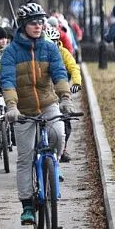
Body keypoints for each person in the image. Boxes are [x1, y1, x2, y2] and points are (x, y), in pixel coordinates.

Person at [0, 2, 74, 225]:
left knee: (59, 135)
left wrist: (65, 99)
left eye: (41, 22)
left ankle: (54, 165)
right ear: (23, 25)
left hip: (48, 103)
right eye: (33, 22)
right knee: (24, 158)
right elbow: (8, 81)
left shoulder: (50, 48)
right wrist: (11, 107)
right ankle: (27, 206)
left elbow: (60, 73)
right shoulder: (11, 52)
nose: (39, 26)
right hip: (22, 108)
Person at [44, 26, 81, 163]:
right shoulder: (39, 53)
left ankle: (63, 149)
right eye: (48, 41)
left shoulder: (63, 52)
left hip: (61, 89)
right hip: (45, 92)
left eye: (54, 41)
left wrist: (76, 82)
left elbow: (74, 67)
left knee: (66, 120)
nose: (51, 44)